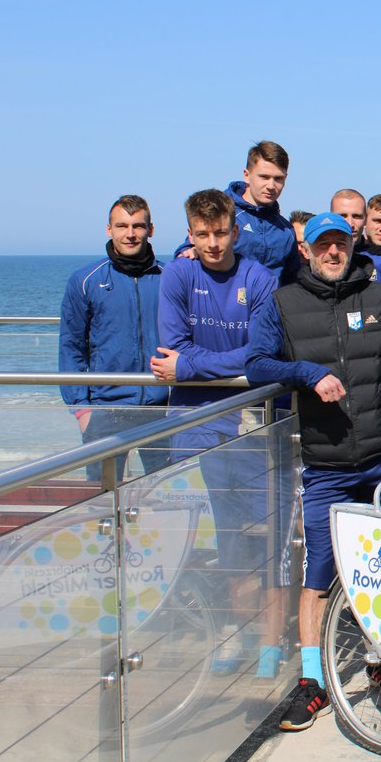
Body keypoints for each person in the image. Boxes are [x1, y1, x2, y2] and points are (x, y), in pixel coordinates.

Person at [244, 211, 381, 731]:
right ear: (305, 250)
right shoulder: (283, 303)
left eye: (340, 243)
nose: (332, 252)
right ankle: (312, 683)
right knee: (320, 573)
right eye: (322, 244)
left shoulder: (380, 296)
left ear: (351, 244)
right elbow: (257, 364)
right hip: (327, 465)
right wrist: (305, 372)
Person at [153, 188, 279, 677]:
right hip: (195, 426)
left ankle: (268, 640)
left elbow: (260, 354)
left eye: (221, 232)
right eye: (202, 234)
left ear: (234, 231)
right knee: (219, 540)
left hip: (250, 424)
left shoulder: (259, 278)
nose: (212, 243)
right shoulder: (178, 273)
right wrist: (208, 363)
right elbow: (172, 344)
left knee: (262, 536)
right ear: (189, 233)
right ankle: (230, 632)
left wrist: (190, 367)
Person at [59, 195, 170, 481]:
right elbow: (71, 346)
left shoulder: (169, 277)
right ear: (109, 229)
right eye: (122, 226)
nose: (130, 234)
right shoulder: (85, 280)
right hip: (105, 408)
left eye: (138, 226)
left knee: (169, 492)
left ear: (151, 230)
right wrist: (81, 410)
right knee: (103, 498)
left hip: (162, 407)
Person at [178, 141, 299, 284]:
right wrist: (189, 252)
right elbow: (190, 249)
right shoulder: (222, 213)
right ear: (246, 175)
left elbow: (291, 283)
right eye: (264, 177)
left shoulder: (286, 231)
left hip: (270, 298)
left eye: (278, 178)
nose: (271, 186)